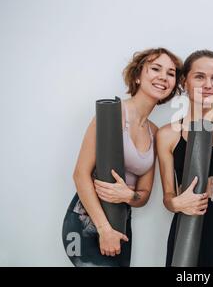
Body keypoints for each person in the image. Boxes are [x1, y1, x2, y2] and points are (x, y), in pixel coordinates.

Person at [62, 48, 183, 267]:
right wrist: (103, 229)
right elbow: (80, 175)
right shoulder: (112, 114)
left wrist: (129, 195)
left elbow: (143, 196)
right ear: (138, 75)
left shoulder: (154, 132)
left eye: (171, 73)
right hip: (89, 220)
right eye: (155, 69)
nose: (163, 77)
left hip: (121, 221)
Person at [157, 50, 213, 267]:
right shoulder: (167, 134)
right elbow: (168, 197)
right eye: (199, 77)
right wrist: (176, 203)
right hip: (187, 231)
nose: (208, 84)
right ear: (184, 82)